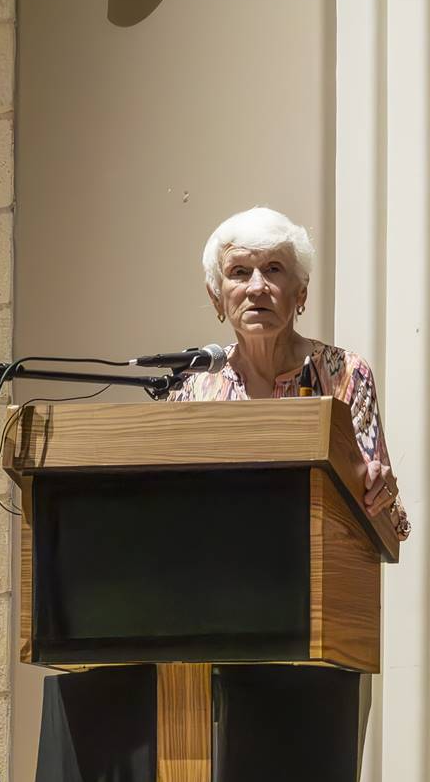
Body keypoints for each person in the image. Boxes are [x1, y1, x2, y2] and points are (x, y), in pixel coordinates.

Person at [171, 206, 411, 541]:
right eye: (239, 272)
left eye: (273, 269)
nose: (257, 287)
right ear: (216, 298)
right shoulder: (194, 383)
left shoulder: (344, 373)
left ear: (301, 292)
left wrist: (382, 491)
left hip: (316, 571)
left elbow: (390, 521)